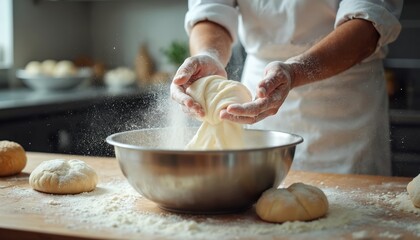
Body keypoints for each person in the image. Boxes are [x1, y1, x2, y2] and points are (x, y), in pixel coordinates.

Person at [170, 1, 403, 175]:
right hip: (259, 96)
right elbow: (211, 12)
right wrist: (210, 55)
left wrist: (296, 71)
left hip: (345, 103)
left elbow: (369, 22)